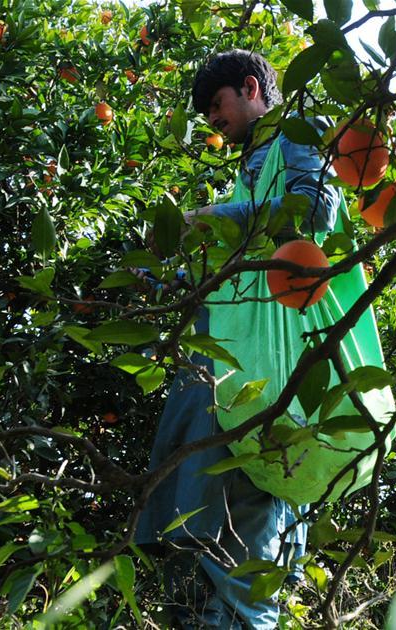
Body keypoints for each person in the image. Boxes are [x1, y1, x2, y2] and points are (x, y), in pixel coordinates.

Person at [134, 49, 342, 629]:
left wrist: (217, 217)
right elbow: (244, 262)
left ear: (250, 87)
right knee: (194, 523)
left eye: (217, 105)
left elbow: (316, 210)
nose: (211, 120)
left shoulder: (295, 137)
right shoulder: (252, 168)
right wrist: (172, 276)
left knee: (242, 526)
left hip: (264, 372)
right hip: (226, 368)